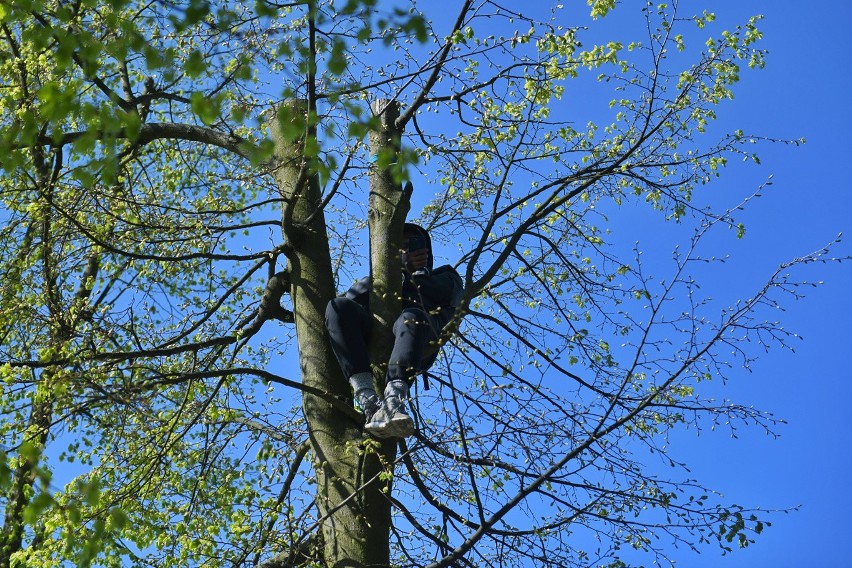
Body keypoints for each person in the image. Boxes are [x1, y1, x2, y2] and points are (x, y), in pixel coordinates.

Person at [324, 223, 463, 438]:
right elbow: (348, 302)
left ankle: (393, 402)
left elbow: (441, 294)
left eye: (413, 245)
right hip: (371, 339)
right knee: (336, 306)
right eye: (401, 246)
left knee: (412, 317)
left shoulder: (446, 276)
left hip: (417, 340)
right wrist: (392, 273)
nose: (408, 250)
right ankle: (368, 401)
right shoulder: (379, 279)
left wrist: (412, 274)